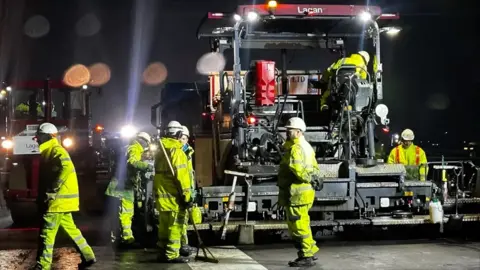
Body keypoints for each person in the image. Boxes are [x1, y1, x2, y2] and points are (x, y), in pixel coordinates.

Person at [33, 123, 96, 270]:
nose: (36, 139)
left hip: (57, 202)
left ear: (47, 136)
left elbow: (65, 167)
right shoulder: (52, 150)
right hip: (63, 201)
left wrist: (53, 189)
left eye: (39, 136)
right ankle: (88, 255)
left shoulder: (54, 150)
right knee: (71, 229)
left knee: (46, 234)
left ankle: (43, 265)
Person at [278, 117, 320, 267]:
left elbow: (297, 170)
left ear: (298, 132)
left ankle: (306, 255)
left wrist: (307, 177)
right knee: (303, 223)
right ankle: (310, 250)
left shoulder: (296, 149)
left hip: (297, 194)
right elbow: (315, 168)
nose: (287, 133)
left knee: (298, 226)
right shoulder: (306, 147)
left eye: (290, 131)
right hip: (304, 193)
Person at [105, 131, 153, 247]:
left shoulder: (128, 147)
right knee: (126, 212)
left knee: (120, 213)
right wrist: (147, 166)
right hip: (124, 187)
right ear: (144, 141)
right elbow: (132, 162)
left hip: (120, 185)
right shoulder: (135, 148)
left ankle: (118, 237)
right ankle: (127, 239)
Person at [154, 121, 192, 263]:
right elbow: (182, 177)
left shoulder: (161, 149)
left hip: (162, 196)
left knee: (163, 226)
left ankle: (162, 251)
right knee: (176, 226)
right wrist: (187, 197)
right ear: (178, 134)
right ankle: (172, 254)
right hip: (175, 196)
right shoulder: (177, 151)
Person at [179, 125, 196, 257]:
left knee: (183, 220)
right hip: (180, 191)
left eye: (184, 138)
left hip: (187, 189)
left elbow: (189, 174)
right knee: (179, 220)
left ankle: (184, 244)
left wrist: (191, 191)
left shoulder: (187, 152)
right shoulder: (177, 152)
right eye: (180, 138)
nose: (182, 141)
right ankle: (182, 246)